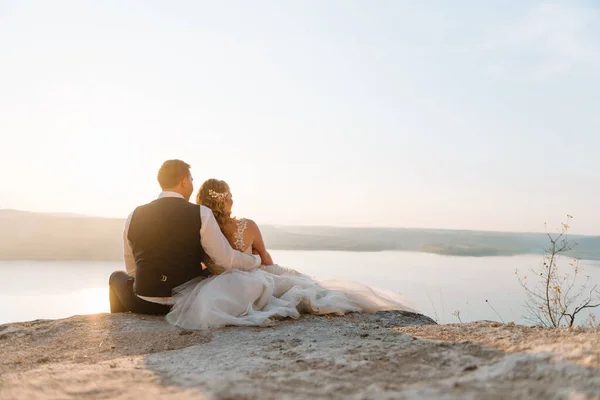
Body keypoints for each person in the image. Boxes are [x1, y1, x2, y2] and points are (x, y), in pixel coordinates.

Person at [166, 178, 414, 329]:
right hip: (251, 279)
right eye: (230, 196)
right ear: (225, 200)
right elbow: (265, 260)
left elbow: (201, 261)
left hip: (217, 286)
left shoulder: (201, 227)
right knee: (301, 286)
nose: (233, 200)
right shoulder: (246, 225)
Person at [108, 160, 261, 315]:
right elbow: (226, 260)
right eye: (191, 180)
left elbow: (132, 267)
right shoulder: (201, 213)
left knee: (116, 276)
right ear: (184, 182)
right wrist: (256, 260)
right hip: (186, 303)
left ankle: (116, 324)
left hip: (144, 303)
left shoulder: (134, 215)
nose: (192, 185)